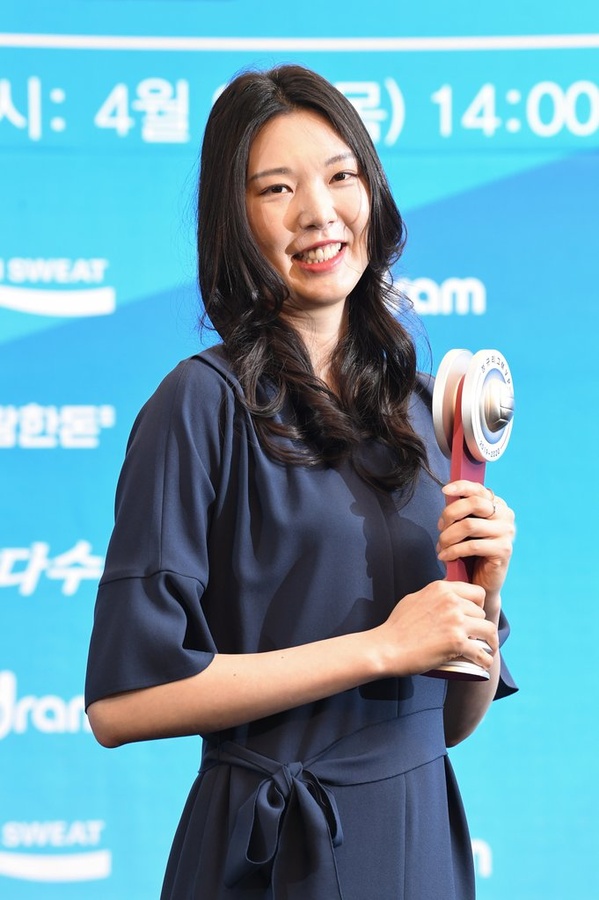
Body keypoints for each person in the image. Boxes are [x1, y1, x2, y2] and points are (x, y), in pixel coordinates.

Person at [85, 64, 517, 900]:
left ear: (372, 190)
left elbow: (453, 724)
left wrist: (483, 597)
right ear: (235, 221)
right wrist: (377, 649)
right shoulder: (199, 404)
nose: (319, 213)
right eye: (277, 189)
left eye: (340, 175)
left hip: (420, 839)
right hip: (273, 852)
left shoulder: (425, 412)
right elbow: (121, 706)